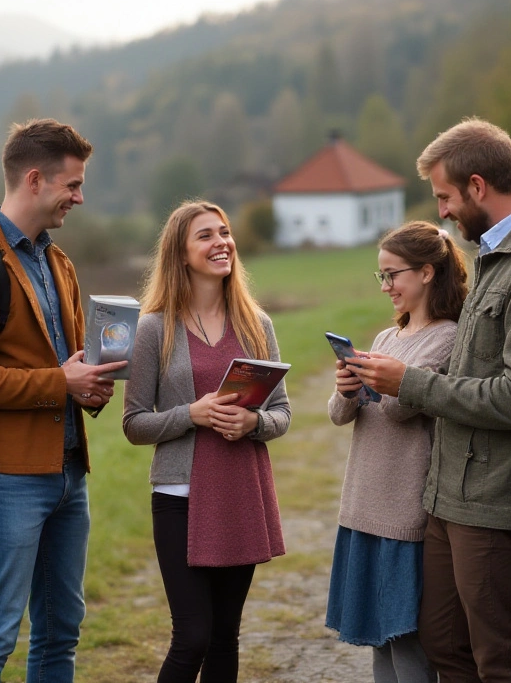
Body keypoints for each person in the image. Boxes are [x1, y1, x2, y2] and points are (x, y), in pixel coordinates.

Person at [345, 118, 511, 683]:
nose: (444, 212)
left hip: (494, 502)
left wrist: (410, 382)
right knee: (444, 648)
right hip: (448, 498)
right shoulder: (497, 256)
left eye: (446, 197)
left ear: (478, 186)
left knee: (498, 660)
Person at [0, 118, 127, 683]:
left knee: (61, 630)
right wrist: (60, 383)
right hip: (7, 480)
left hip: (70, 474)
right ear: (36, 179)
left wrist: (92, 382)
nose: (79, 197)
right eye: (72, 185)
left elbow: (69, 365)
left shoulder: (57, 261)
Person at [122, 200, 291, 683]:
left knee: (224, 636)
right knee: (191, 636)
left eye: (224, 232)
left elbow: (281, 413)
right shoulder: (155, 328)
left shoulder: (257, 325)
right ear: (180, 254)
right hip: (180, 498)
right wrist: (190, 415)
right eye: (205, 235)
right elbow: (134, 423)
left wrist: (252, 425)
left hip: (240, 492)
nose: (221, 242)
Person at [326, 221, 466, 683]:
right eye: (380, 277)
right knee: (379, 643)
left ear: (426, 273)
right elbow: (339, 416)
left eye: (393, 275)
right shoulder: (388, 340)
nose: (386, 286)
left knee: (407, 641)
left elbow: (401, 410)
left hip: (403, 516)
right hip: (363, 507)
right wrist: (347, 386)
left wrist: (379, 381)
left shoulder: (447, 337)